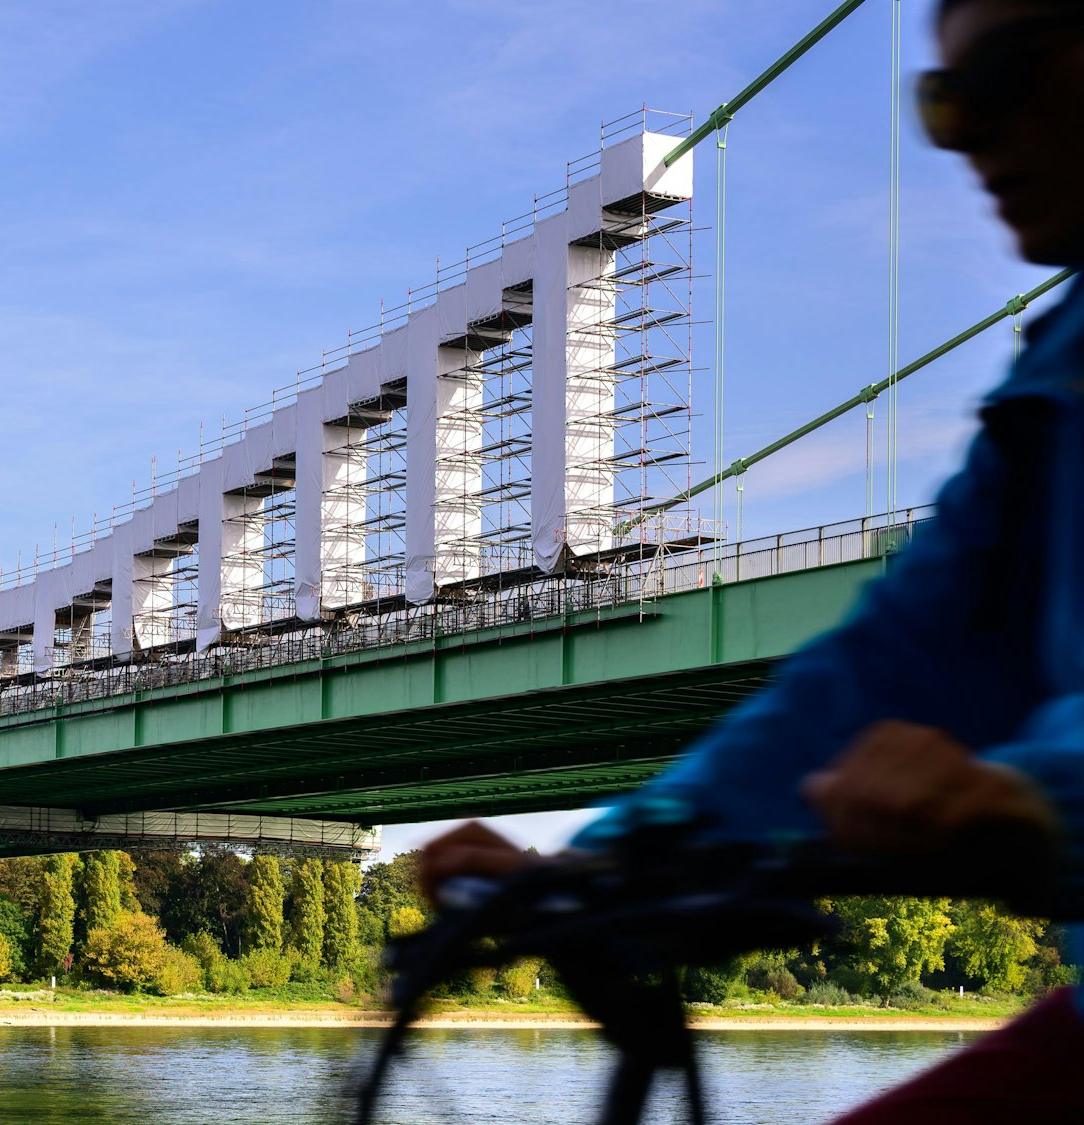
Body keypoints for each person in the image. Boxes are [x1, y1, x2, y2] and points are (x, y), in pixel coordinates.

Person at [420, 1, 1084, 1120]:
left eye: (1003, 74)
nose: (964, 134)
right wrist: (613, 862)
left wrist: (1038, 795)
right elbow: (884, 668)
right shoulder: (1051, 383)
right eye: (937, 101)